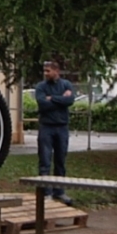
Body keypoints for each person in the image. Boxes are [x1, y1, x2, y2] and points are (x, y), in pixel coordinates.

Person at [33, 61, 75, 206]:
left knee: (60, 160)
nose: (45, 73)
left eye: (48, 71)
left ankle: (59, 191)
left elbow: (70, 100)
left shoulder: (66, 84)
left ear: (57, 71)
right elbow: (42, 103)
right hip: (46, 127)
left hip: (62, 128)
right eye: (44, 71)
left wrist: (53, 98)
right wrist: (61, 99)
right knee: (44, 160)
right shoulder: (41, 87)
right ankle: (46, 193)